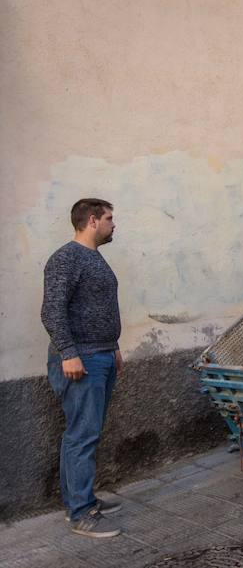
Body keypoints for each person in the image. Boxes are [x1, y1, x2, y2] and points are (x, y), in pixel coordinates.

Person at [41, 198, 124, 538]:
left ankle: (82, 499)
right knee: (82, 435)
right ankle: (80, 513)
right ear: (92, 221)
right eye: (109, 218)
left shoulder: (93, 257)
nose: (113, 224)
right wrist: (68, 353)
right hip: (82, 359)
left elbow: (100, 306)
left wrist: (114, 346)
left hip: (101, 355)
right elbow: (52, 311)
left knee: (85, 432)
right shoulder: (66, 259)